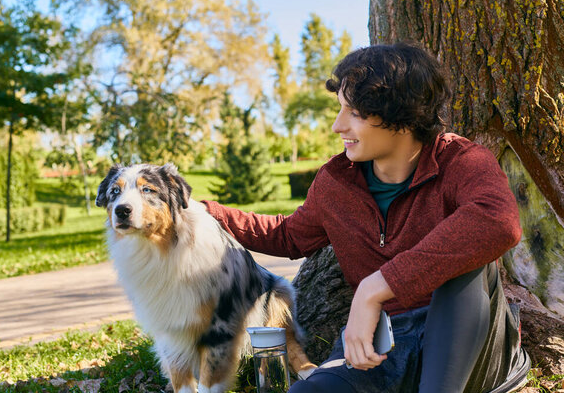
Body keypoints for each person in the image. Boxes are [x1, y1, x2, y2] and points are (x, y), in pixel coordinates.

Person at [202, 41, 529, 392]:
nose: (337, 125)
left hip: (468, 346)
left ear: (399, 115)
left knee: (467, 258)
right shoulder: (336, 181)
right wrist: (208, 212)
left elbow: (498, 221)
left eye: (353, 112)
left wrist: (375, 287)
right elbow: (289, 235)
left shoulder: (461, 160)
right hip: (381, 347)